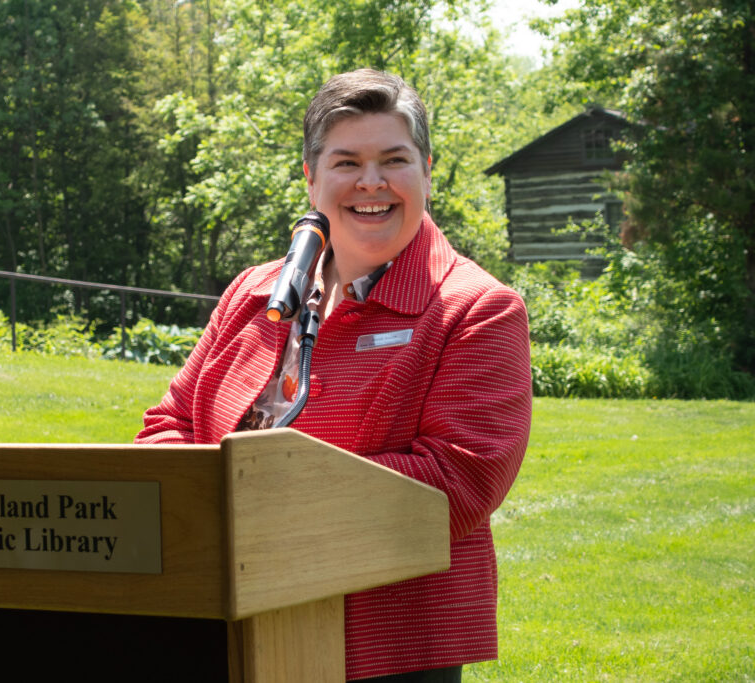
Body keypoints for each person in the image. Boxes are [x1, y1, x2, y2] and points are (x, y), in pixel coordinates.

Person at [136, 69, 532, 682]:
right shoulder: (253, 291)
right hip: (221, 618)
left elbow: (458, 483)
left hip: (381, 646)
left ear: (426, 170)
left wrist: (250, 496)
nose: (370, 183)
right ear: (311, 177)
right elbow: (170, 424)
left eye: (394, 160)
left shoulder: (477, 308)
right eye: (346, 162)